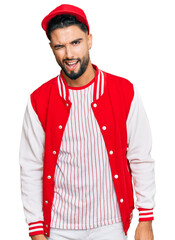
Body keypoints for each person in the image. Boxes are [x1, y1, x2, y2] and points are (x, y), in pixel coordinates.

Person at [19, 4, 156, 240]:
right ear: (52, 48)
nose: (69, 54)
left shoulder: (124, 92)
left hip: (110, 224)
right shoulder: (39, 101)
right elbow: (31, 168)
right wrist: (36, 231)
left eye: (76, 43)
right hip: (59, 228)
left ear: (89, 40)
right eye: (60, 46)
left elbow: (140, 157)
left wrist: (146, 220)